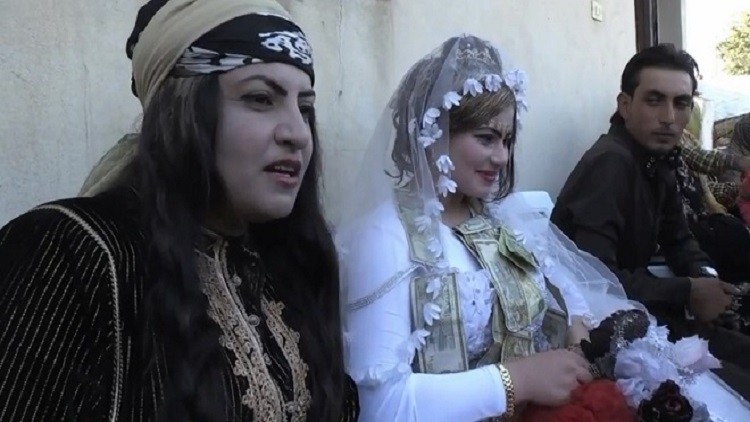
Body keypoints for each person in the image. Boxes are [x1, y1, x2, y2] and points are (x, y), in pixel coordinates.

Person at [0, 0, 359, 420]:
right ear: (182, 111)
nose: (298, 133)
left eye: (306, 108)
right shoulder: (74, 254)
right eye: (261, 98)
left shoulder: (287, 265)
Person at [335, 34, 621, 422]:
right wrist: (516, 381)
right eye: (486, 138)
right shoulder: (384, 236)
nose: (501, 157)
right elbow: (381, 407)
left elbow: (568, 298)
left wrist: (574, 333)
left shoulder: (500, 218)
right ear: (433, 134)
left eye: (507, 140)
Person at [551, 44, 750, 396]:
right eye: (654, 100)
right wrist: (688, 291)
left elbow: (679, 239)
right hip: (611, 334)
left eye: (681, 103)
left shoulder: (657, 158)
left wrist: (707, 280)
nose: (669, 117)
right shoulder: (610, 165)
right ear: (625, 105)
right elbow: (595, 282)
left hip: (650, 313)